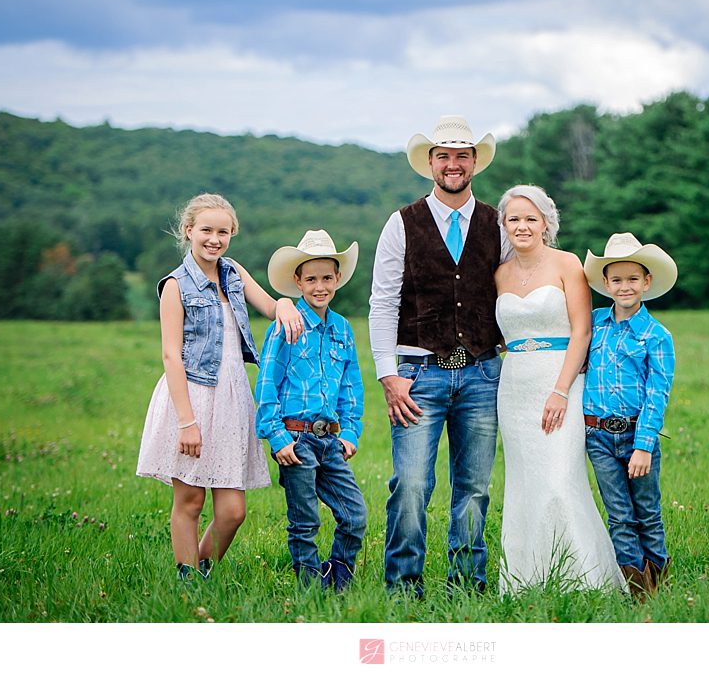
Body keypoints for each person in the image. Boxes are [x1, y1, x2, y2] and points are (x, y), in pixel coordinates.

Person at [370, 115, 507, 596]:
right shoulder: (401, 222)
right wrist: (389, 375)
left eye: (462, 155)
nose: (453, 164)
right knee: (410, 487)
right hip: (418, 376)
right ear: (430, 162)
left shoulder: (498, 224)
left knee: (474, 490)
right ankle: (403, 589)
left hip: (483, 374)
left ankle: (466, 587)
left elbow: (517, 289)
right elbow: (383, 302)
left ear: (475, 163)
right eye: (444, 155)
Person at [137, 193, 304, 581]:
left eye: (223, 232)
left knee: (233, 511)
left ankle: (202, 566)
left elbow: (267, 303)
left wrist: (284, 305)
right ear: (188, 231)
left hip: (231, 396)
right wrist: (185, 422)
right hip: (191, 397)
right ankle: (188, 580)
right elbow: (170, 356)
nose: (215, 239)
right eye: (207, 230)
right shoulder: (175, 285)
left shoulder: (232, 272)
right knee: (191, 500)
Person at [494, 185, 625, 595]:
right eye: (514, 218)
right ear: (503, 225)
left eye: (531, 218)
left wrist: (561, 391)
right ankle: (526, 578)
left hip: (560, 381)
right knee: (523, 483)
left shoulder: (568, 264)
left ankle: (584, 579)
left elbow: (582, 331)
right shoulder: (498, 274)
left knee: (559, 478)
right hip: (513, 386)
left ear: (547, 223)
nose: (522, 226)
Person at [255, 230, 366, 591]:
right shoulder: (285, 325)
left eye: (327, 278)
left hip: (329, 439)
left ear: (337, 280)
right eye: (312, 278)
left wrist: (349, 432)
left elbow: (351, 385)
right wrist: (276, 435)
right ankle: (308, 590)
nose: (320, 286)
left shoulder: (342, 329)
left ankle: (338, 580)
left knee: (354, 516)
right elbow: (268, 381)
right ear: (297, 281)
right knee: (304, 521)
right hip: (295, 438)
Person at [582, 232, 677, 600]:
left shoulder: (657, 336)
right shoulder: (593, 326)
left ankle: (659, 583)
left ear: (647, 282)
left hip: (639, 437)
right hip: (599, 436)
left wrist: (643, 446)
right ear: (605, 283)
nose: (625, 286)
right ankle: (637, 589)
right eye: (617, 279)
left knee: (647, 513)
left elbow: (657, 395)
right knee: (619, 514)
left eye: (632, 279)